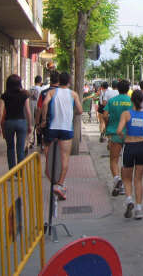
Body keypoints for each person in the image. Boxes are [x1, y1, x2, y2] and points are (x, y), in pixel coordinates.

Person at [116, 89, 143, 220]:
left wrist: (124, 137)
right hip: (142, 148)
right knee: (138, 179)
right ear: (142, 100)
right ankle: (139, 209)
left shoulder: (126, 114)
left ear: (131, 100)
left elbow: (118, 131)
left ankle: (129, 199)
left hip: (129, 146)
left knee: (127, 178)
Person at [41, 72, 82, 201]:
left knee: (49, 155)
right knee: (64, 158)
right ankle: (60, 184)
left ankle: (51, 177)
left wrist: (43, 119)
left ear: (58, 81)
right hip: (66, 128)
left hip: (53, 128)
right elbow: (80, 111)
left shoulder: (52, 93)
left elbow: (45, 104)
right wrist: (71, 113)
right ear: (69, 81)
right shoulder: (73, 94)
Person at [103, 79, 132, 197]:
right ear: (128, 89)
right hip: (129, 134)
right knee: (127, 162)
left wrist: (108, 124)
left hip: (115, 133)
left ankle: (116, 179)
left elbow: (105, 115)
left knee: (114, 160)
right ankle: (125, 186)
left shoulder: (112, 101)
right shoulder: (131, 101)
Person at [0, 75, 32, 170]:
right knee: (20, 149)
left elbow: (0, 111)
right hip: (21, 122)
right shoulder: (24, 94)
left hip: (8, 122)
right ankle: (20, 171)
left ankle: (12, 172)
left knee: (10, 148)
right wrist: (29, 125)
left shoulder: (4, 95)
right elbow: (28, 111)